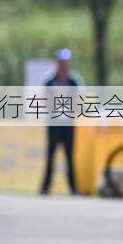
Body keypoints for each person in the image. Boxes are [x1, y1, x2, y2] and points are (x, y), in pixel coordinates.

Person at [41, 48, 84, 195]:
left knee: (70, 156)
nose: (63, 64)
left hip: (68, 123)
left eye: (65, 62)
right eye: (61, 62)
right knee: (51, 155)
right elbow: (44, 100)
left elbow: (79, 100)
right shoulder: (49, 81)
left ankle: (73, 188)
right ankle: (45, 187)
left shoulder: (74, 81)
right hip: (54, 123)